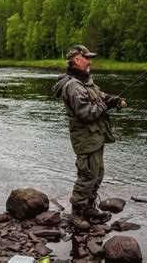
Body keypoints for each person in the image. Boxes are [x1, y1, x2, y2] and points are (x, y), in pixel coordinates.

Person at [53, 45, 126, 227]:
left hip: (96, 136)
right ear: (77, 60)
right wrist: (104, 106)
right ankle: (77, 213)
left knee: (98, 173)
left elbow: (100, 95)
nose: (90, 61)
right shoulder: (73, 86)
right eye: (86, 57)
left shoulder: (85, 81)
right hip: (85, 139)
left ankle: (89, 207)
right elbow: (86, 113)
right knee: (87, 176)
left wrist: (113, 100)